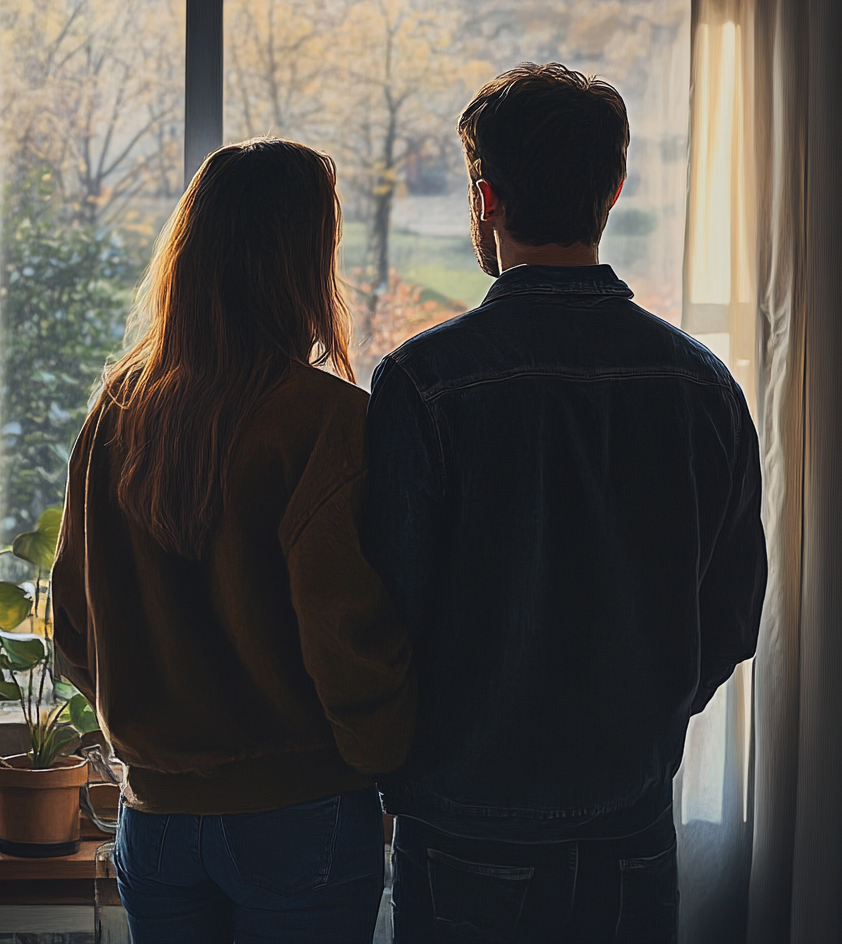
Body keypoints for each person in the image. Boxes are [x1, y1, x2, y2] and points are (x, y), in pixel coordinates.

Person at [365, 64, 767, 943]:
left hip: (464, 821)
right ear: (613, 189)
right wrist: (631, 712)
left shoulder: (423, 383)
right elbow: (734, 619)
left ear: (486, 197)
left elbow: (384, 616)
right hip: (631, 822)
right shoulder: (704, 386)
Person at [52, 139, 416, 944]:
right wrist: (389, 761)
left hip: (153, 824)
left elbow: (72, 630)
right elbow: (345, 639)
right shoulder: (325, 420)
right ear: (303, 263)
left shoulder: (116, 412)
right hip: (301, 815)